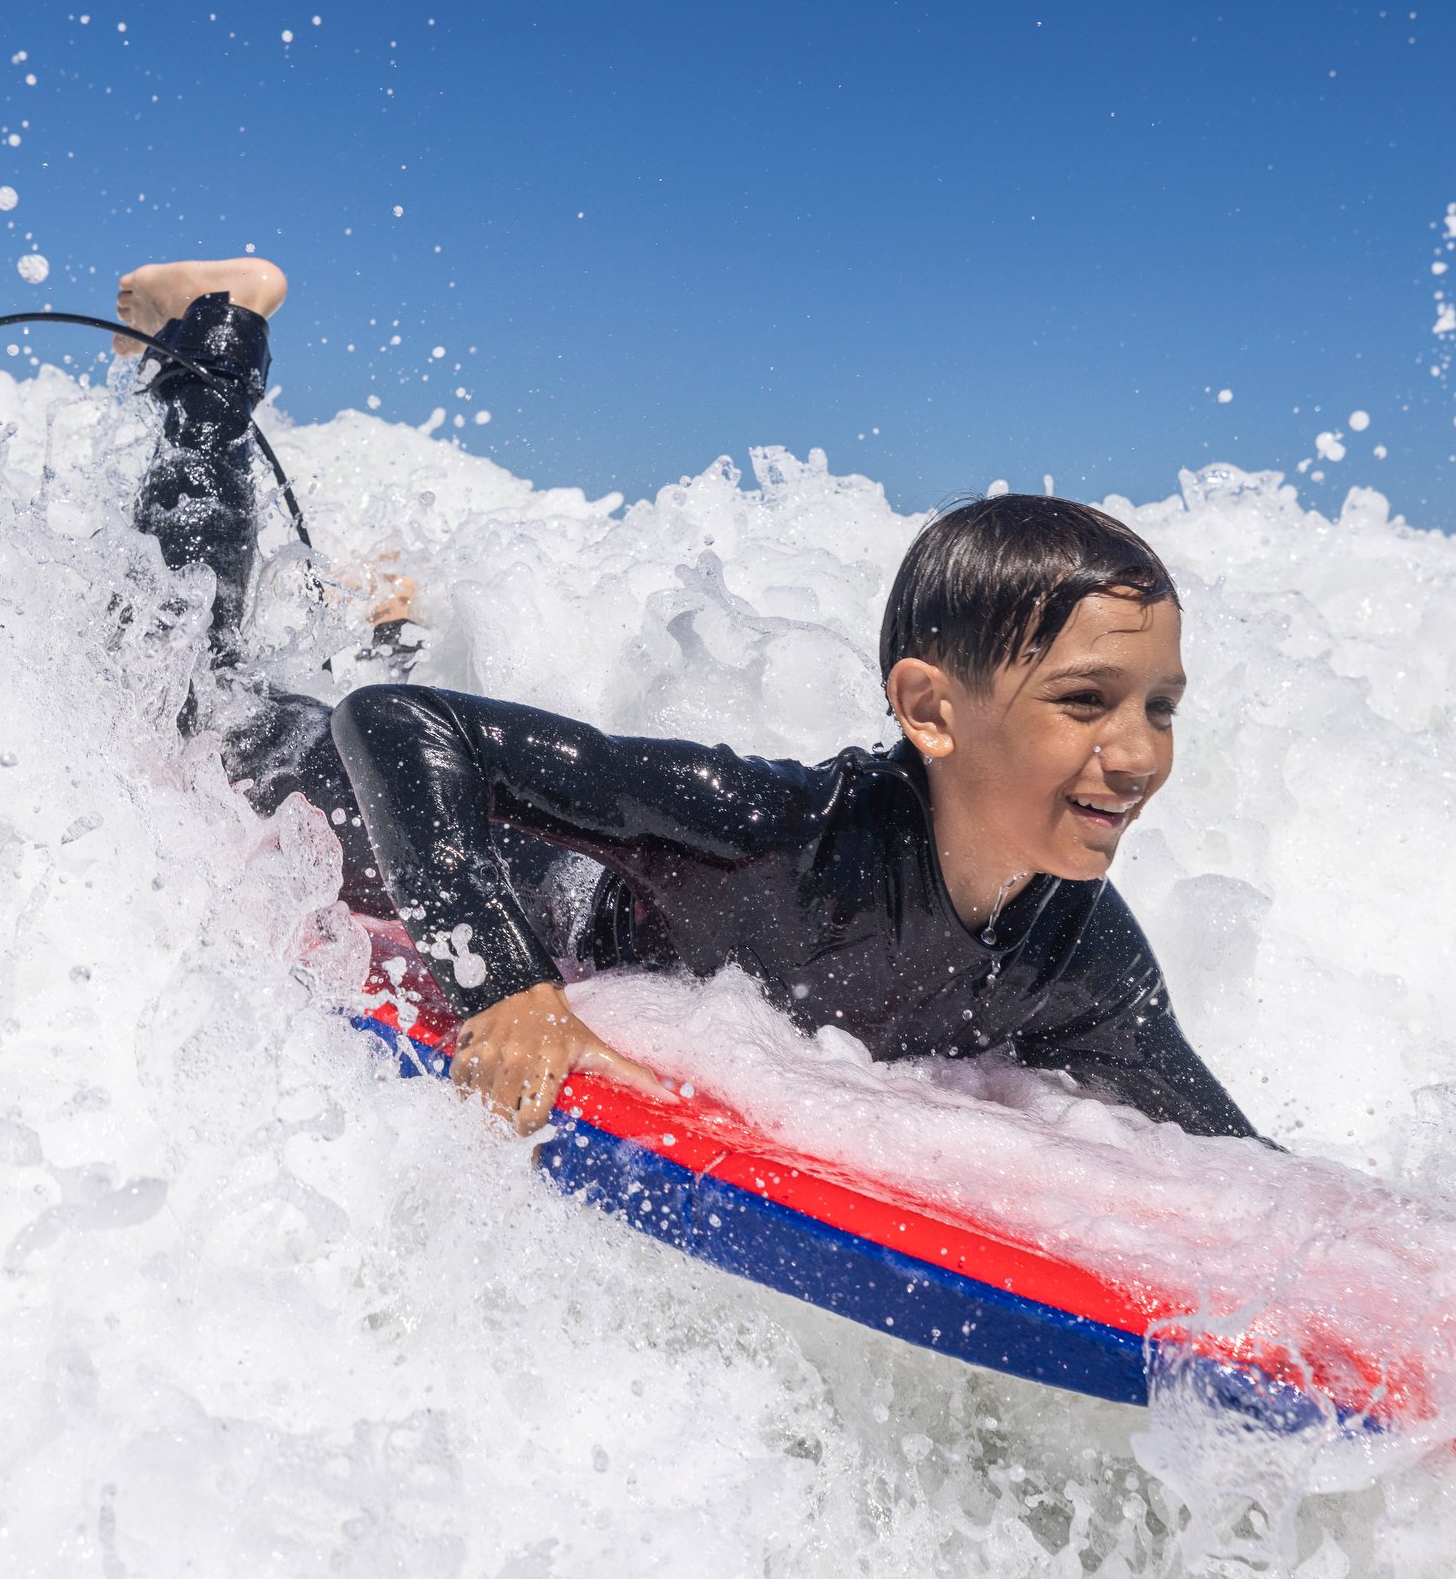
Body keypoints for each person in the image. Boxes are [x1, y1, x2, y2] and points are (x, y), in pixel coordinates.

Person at [116, 259, 1262, 1148]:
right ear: (929, 709)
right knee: (185, 702)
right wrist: (505, 984)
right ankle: (205, 337)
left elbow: (1233, 1156)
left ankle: (380, 614)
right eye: (1084, 701)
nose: (1137, 753)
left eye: (1159, 707)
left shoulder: (1079, 957)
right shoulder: (769, 833)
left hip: (518, 824)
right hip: (407, 832)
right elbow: (398, 728)